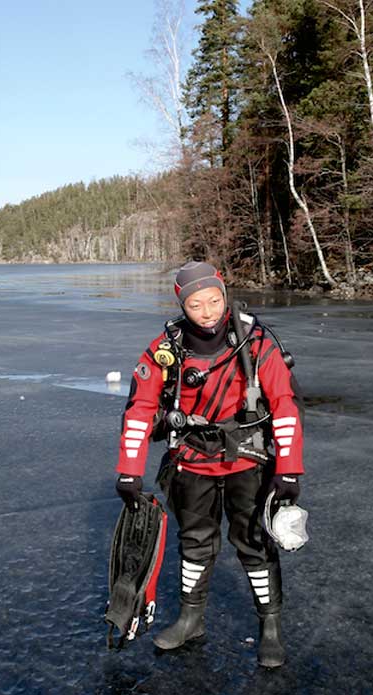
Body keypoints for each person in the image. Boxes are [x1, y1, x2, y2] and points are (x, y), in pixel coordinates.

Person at [113, 261, 304, 668]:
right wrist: (129, 470)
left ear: (224, 294)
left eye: (215, 300)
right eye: (196, 304)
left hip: (247, 462)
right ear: (183, 305)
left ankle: (270, 627)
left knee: (254, 545)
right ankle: (190, 618)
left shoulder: (254, 343)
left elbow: (284, 406)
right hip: (192, 462)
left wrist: (289, 469)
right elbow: (140, 408)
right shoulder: (166, 350)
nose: (208, 311)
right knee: (195, 544)